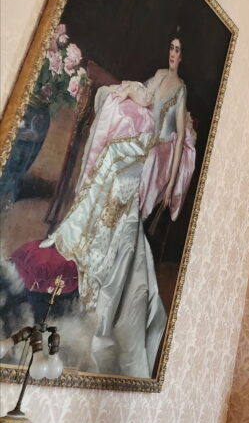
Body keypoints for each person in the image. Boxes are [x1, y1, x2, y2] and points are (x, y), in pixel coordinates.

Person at [39, 31, 195, 378]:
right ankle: (81, 225)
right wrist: (128, 92)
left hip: (153, 146)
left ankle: (98, 235)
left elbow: (179, 134)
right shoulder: (157, 75)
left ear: (183, 57)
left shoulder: (180, 89)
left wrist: (169, 184)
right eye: (170, 47)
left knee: (115, 157)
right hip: (141, 139)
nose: (172, 54)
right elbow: (143, 96)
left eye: (177, 50)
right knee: (111, 151)